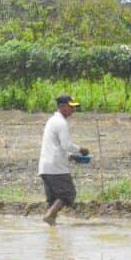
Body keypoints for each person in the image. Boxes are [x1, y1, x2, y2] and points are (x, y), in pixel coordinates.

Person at [38, 94, 89, 226]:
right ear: (62, 107)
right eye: (70, 107)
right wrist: (81, 150)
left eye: (73, 107)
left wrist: (70, 156)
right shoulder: (61, 123)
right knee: (68, 194)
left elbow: (56, 146)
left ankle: (51, 228)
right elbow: (66, 145)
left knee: (53, 199)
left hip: (45, 167)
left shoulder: (51, 121)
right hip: (56, 167)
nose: (73, 110)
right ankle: (49, 216)